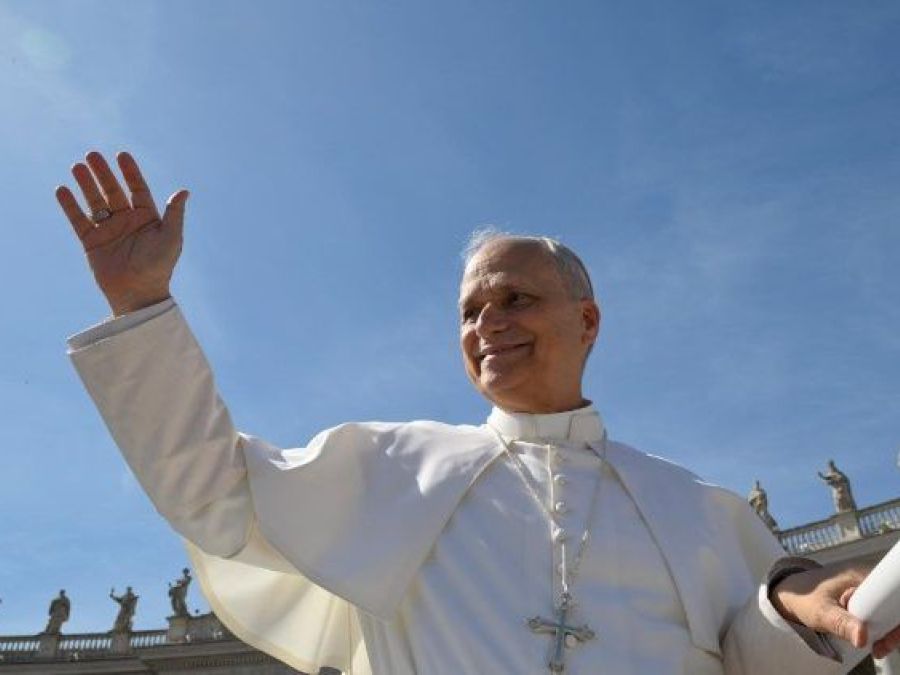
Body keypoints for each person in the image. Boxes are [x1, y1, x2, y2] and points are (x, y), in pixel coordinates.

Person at [57, 151, 899, 674]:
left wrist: (801, 607)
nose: (487, 322)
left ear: (588, 320)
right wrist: (142, 307)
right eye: (469, 310)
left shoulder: (694, 506)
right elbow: (209, 494)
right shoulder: (391, 467)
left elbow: (749, 661)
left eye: (516, 298)